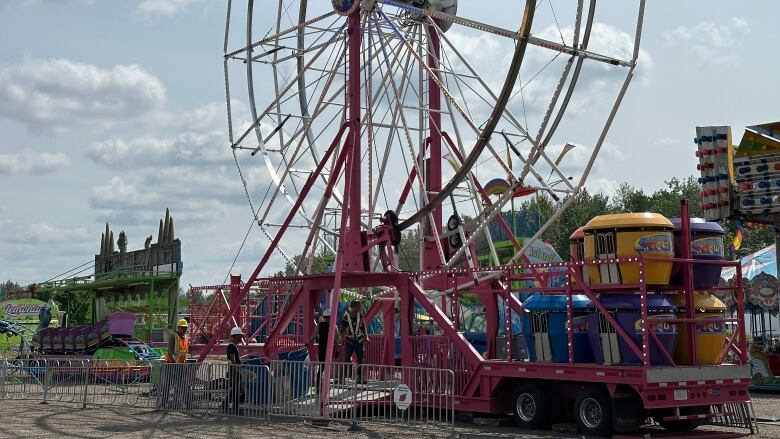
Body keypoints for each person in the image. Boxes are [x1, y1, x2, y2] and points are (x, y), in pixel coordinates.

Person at [159, 319, 190, 409]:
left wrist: (184, 362)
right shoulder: (173, 337)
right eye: (182, 328)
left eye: (185, 328)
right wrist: (175, 363)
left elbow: (183, 352)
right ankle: (163, 404)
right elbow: (170, 352)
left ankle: (187, 404)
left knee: (183, 385)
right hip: (171, 365)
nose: (184, 330)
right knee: (168, 385)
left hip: (180, 365)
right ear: (178, 328)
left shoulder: (185, 338)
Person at [306, 309, 335, 391]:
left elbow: (314, 335)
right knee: (327, 367)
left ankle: (318, 386)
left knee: (321, 368)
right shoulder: (333, 326)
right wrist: (336, 350)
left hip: (321, 349)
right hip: (329, 350)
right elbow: (337, 339)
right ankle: (326, 385)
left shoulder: (320, 325)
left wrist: (308, 342)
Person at [340, 300, 367, 384]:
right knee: (346, 360)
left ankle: (359, 378)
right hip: (349, 341)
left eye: (359, 307)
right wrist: (343, 337)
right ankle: (342, 378)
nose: (359, 308)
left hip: (359, 341)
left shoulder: (360, 316)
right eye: (357, 307)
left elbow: (363, 327)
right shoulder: (346, 316)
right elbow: (342, 329)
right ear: (352, 307)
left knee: (361, 360)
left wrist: (367, 337)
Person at [223, 326, 244, 415]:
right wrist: (238, 370)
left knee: (234, 391)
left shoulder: (233, 345)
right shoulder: (232, 346)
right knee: (236, 391)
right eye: (240, 336)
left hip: (234, 371)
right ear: (235, 336)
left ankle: (224, 406)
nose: (241, 338)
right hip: (234, 371)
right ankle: (235, 409)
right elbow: (233, 359)